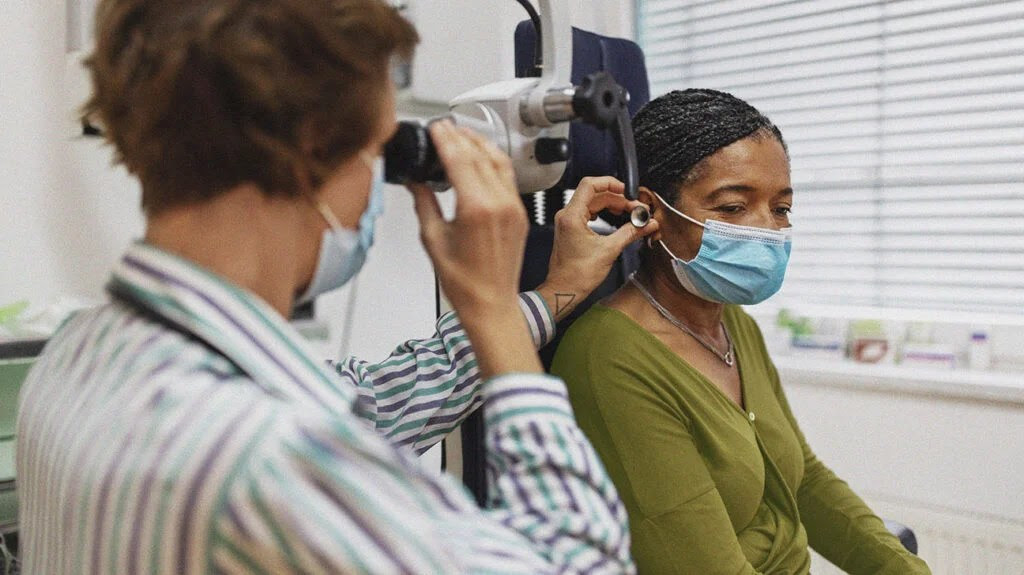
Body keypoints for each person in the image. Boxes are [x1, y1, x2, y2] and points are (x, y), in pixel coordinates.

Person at [15, 1, 659, 572]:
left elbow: (369, 401)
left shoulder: (79, 352)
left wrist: (551, 294)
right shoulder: (274, 462)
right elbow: (582, 561)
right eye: (379, 150)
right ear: (312, 149)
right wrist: (490, 314)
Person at [551, 89, 931, 575]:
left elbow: (804, 481)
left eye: (781, 208)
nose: (766, 230)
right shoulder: (609, 358)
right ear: (652, 213)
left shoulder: (735, 325)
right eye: (732, 208)